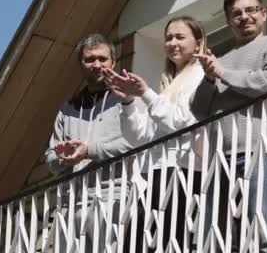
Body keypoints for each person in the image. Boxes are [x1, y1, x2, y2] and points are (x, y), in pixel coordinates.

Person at [190, 0, 267, 252]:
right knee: (220, 237)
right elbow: (199, 108)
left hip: (258, 151)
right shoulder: (222, 59)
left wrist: (224, 74)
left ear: (264, 13)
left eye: (251, 10)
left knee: (262, 228)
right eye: (236, 13)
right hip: (220, 160)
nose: (244, 17)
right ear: (228, 21)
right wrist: (210, 77)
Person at [103, 16, 207, 251]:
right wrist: (129, 101)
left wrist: (146, 94)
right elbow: (139, 136)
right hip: (156, 173)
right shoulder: (167, 83)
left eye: (180, 37)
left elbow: (183, 121)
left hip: (185, 172)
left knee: (173, 243)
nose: (172, 42)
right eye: (168, 37)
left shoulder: (201, 75)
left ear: (198, 43)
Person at [45, 33, 134, 252]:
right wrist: (62, 157)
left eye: (102, 59)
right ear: (81, 64)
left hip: (113, 197)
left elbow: (135, 143)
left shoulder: (127, 99)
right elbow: (50, 158)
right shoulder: (68, 108)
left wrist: (89, 151)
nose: (96, 64)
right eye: (90, 59)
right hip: (71, 204)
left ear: (113, 62)